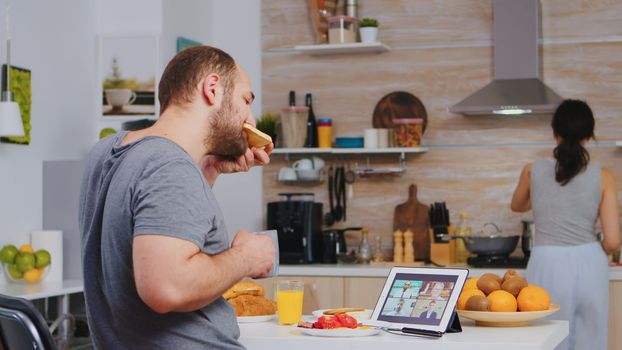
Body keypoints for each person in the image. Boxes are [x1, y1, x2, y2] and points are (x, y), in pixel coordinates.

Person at [78, 46, 276, 349]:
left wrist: (207, 170)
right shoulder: (169, 165)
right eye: (245, 100)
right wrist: (246, 258)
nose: (250, 118)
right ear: (212, 89)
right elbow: (167, 288)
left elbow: (162, 219)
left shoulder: (106, 152)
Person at [511, 99, 620, 350]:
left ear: (554, 132)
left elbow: (517, 205)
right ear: (590, 135)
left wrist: (543, 196)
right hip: (590, 260)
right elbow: (613, 240)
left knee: (547, 335)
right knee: (591, 337)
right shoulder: (603, 176)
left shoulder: (532, 171)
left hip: (548, 259)